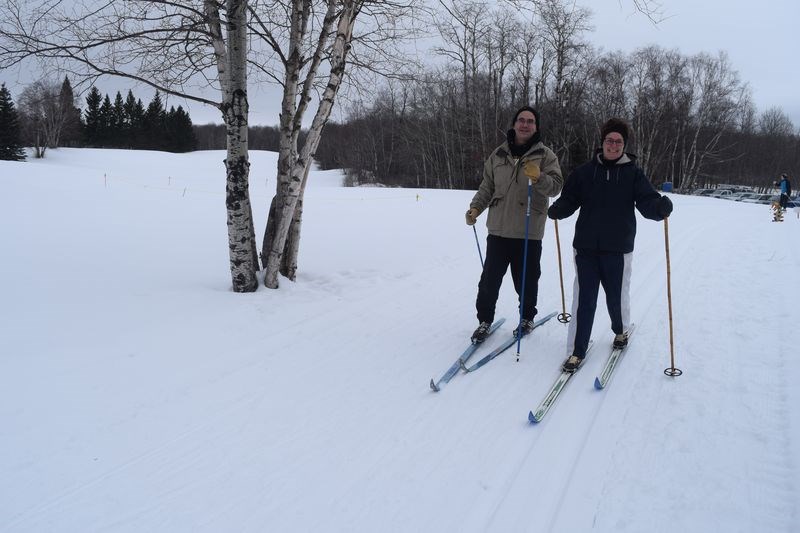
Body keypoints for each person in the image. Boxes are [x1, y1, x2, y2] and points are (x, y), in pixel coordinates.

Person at [547, 118, 673, 372]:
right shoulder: (584, 173)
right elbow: (570, 198)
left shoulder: (633, 174)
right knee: (584, 299)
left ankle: (620, 330)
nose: (613, 145)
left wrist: (659, 208)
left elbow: (647, 201)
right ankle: (576, 351)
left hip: (618, 248)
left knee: (616, 296)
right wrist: (559, 209)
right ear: (602, 142)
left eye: (618, 141)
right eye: (609, 140)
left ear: (624, 145)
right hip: (585, 248)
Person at [466, 106, 563, 343]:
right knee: (489, 281)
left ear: (536, 127)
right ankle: (484, 320)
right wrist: (476, 207)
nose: (525, 125)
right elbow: (487, 186)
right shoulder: (498, 154)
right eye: (521, 120)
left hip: (528, 231)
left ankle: (527, 317)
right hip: (498, 229)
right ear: (514, 124)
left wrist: (539, 177)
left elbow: (557, 185)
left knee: (527, 280)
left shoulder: (545, 155)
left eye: (530, 121)